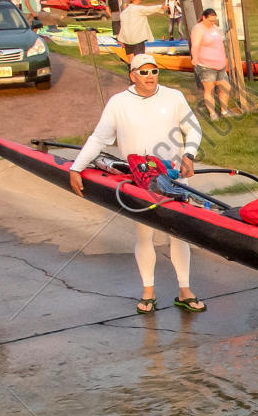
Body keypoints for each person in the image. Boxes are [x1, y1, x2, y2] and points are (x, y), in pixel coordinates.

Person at [67, 53, 206, 314]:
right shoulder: (118, 103)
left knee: (178, 234)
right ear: (132, 76)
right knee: (144, 234)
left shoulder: (174, 97)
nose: (150, 76)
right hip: (140, 180)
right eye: (143, 72)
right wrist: (77, 167)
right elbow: (99, 138)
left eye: (154, 71)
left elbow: (194, 128)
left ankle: (185, 290)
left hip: (174, 177)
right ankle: (148, 292)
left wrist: (189, 155)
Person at [190, 7, 233, 119]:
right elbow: (195, 45)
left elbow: (219, 44)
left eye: (214, 20)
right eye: (210, 20)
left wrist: (224, 59)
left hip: (220, 65)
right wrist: (194, 58)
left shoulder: (214, 28)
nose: (212, 23)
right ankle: (212, 114)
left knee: (225, 87)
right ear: (204, 18)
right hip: (206, 65)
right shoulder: (198, 29)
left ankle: (224, 112)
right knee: (209, 89)